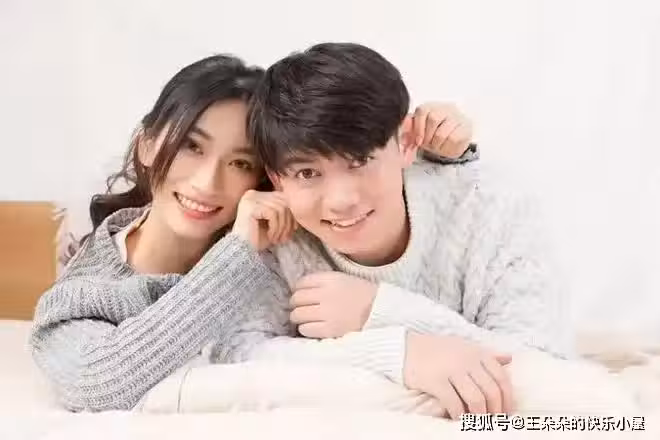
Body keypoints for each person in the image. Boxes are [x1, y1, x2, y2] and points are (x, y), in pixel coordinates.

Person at [30, 54, 478, 412]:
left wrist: (441, 150)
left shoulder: (291, 238)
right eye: (191, 146)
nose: (207, 183)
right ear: (147, 145)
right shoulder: (81, 297)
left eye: (241, 162)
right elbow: (97, 384)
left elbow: (353, 160)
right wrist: (237, 252)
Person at [220, 42, 572, 421]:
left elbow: (543, 369)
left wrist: (378, 310)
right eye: (307, 173)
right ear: (277, 179)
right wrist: (399, 353)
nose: (341, 200)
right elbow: (237, 355)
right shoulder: (273, 233)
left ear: (406, 142)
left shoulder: (492, 206)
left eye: (360, 161)